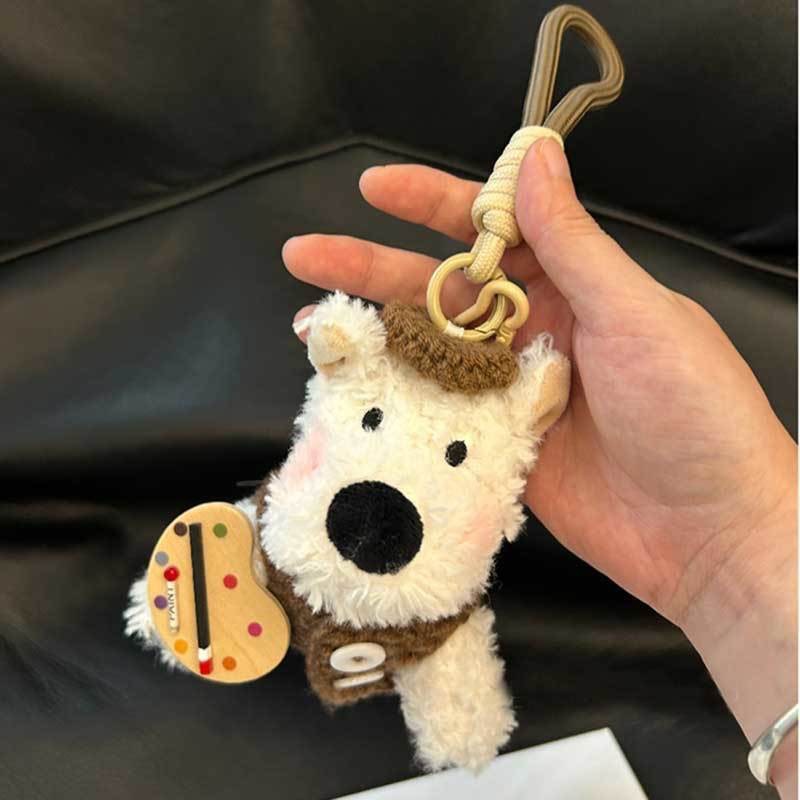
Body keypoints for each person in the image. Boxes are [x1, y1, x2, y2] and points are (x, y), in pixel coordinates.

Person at [282, 138, 797, 796]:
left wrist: (741, 540)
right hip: (293, 577)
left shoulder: (525, 412)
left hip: (427, 620)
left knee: (452, 670)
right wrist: (743, 547)